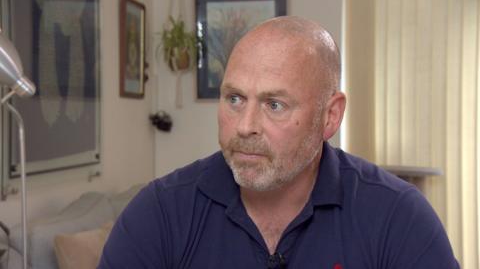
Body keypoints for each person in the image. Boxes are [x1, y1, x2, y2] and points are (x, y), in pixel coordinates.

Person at [99, 16, 459, 269]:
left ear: (329, 117)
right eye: (235, 98)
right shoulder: (159, 213)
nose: (245, 126)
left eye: (274, 105)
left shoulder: (398, 217)